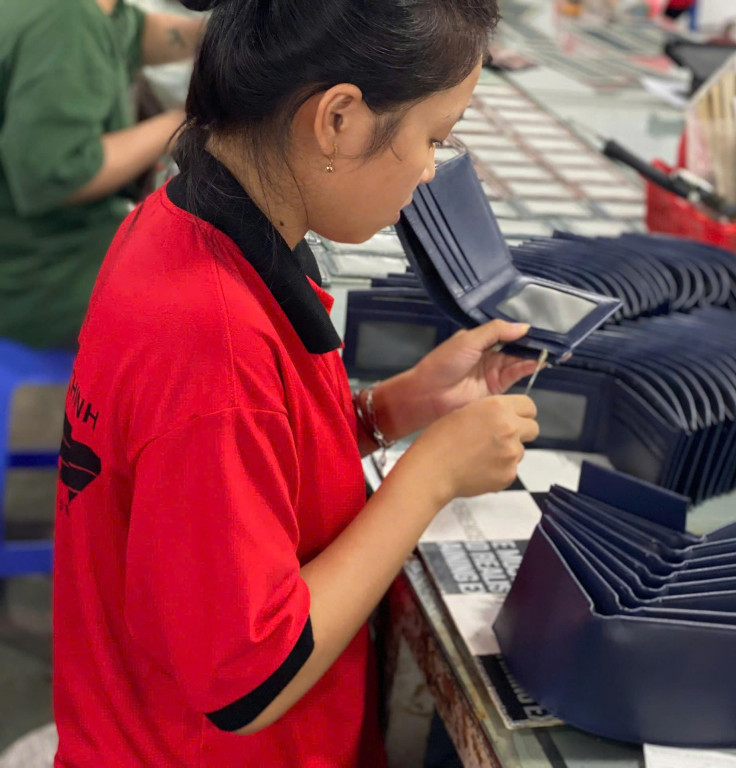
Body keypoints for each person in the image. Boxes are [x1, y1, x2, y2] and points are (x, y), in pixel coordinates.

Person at [51, 0, 541, 766]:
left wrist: (390, 409)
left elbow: (239, 469)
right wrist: (429, 477)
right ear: (338, 119)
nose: (428, 170)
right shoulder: (211, 340)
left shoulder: (179, 222)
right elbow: (250, 681)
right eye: (434, 138)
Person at [0, 0, 204, 348]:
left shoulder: (92, 11)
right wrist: (179, 125)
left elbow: (132, 33)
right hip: (43, 283)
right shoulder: (65, 20)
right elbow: (58, 172)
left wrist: (218, 34)